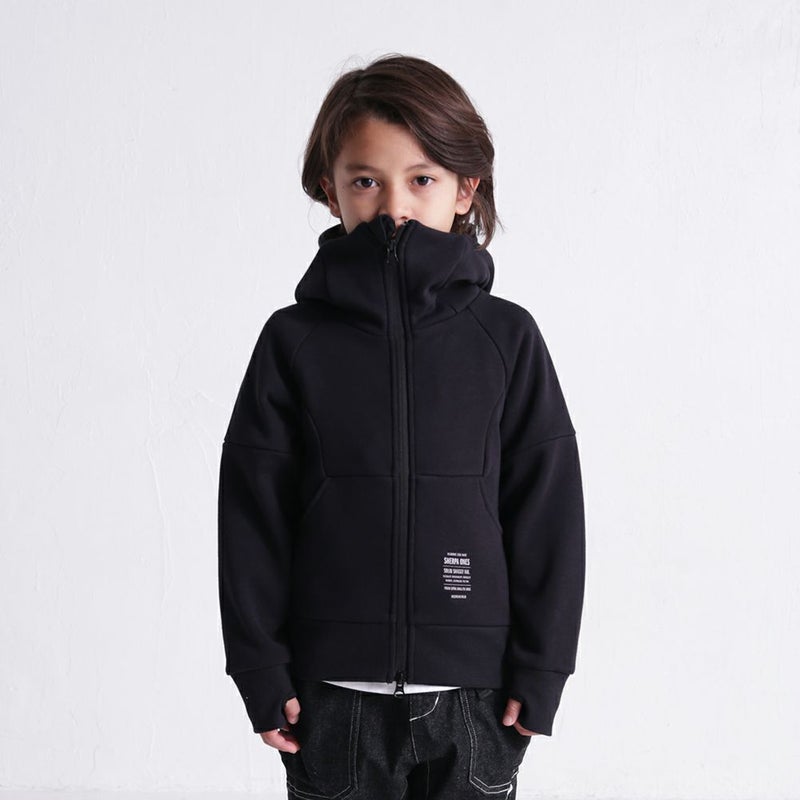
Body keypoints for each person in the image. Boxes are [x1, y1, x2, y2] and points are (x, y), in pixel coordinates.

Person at [218, 53, 586, 799]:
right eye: (366, 180)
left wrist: (543, 669)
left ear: (465, 187)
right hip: (331, 703)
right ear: (330, 190)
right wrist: (259, 667)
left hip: (475, 703)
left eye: (422, 179)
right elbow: (252, 514)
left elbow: (547, 511)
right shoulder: (293, 342)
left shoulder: (506, 339)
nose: (394, 207)